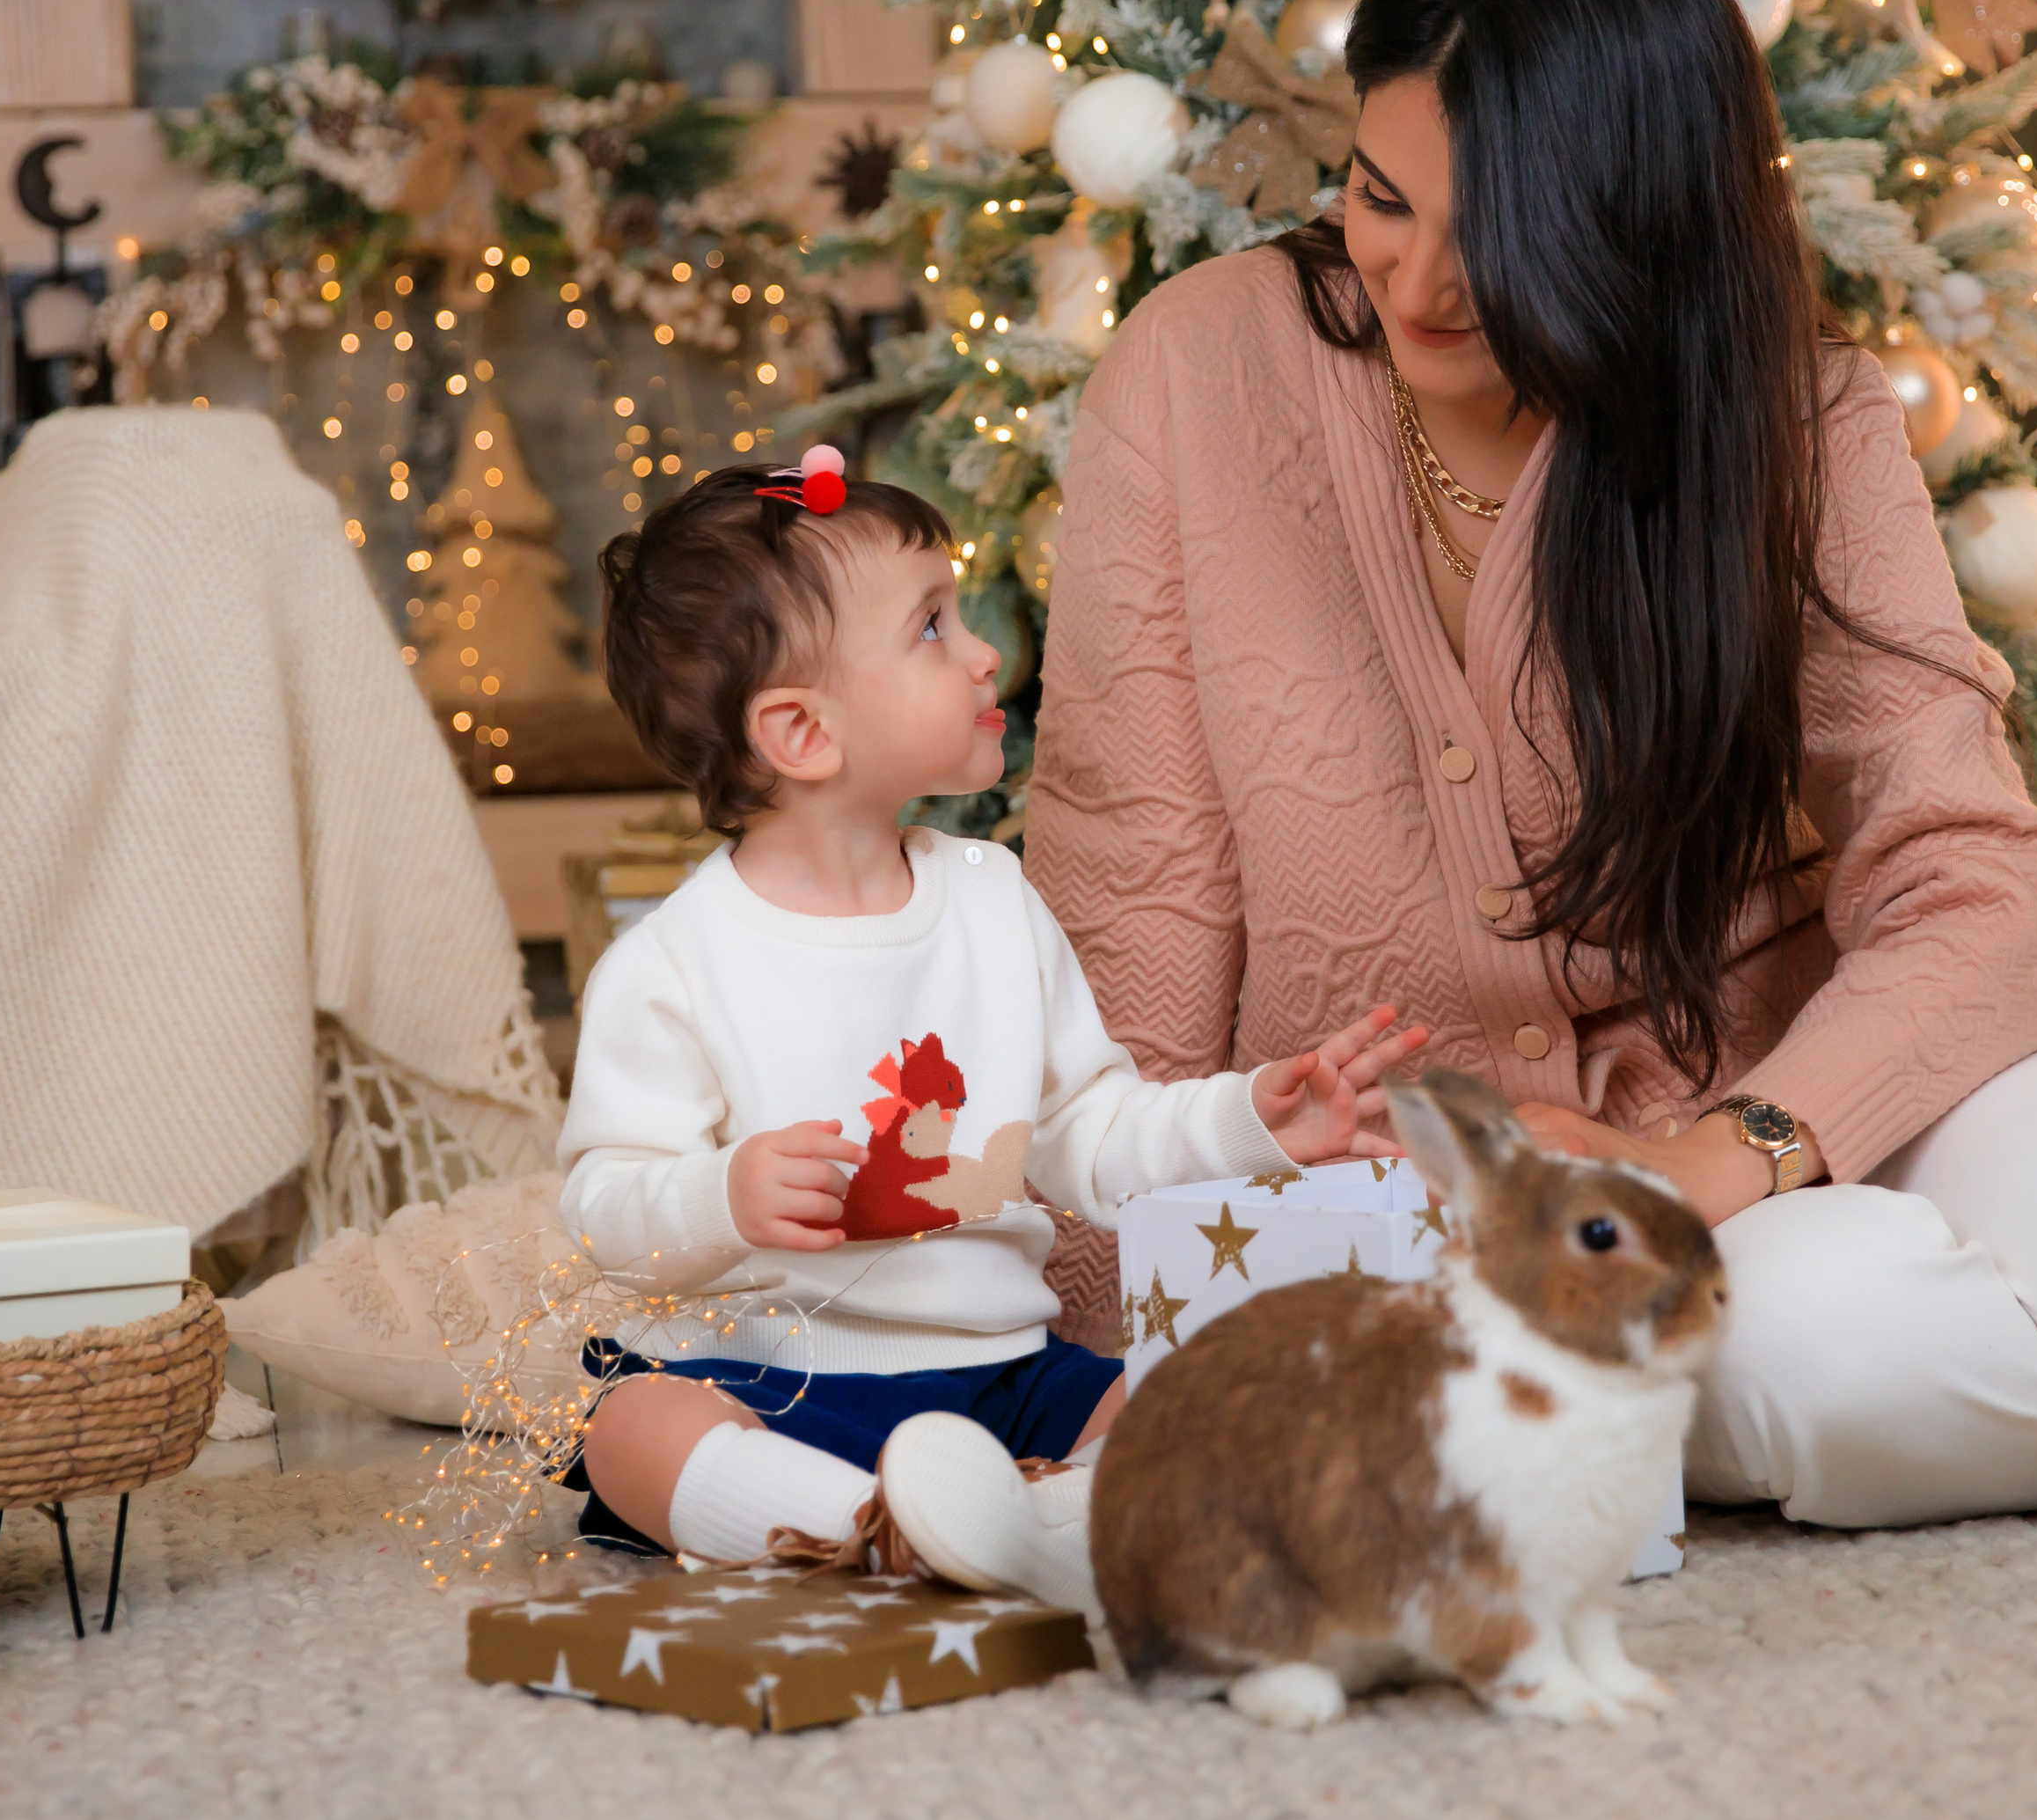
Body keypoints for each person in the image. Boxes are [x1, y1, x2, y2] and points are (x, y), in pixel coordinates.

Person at [1028, 0, 2037, 1532]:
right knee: (1818, 1356)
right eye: (1380, 197)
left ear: (1635, 220)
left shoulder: (1794, 412)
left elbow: (1977, 883)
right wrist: (1106, 1355)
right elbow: (1130, 897)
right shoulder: (1196, 373)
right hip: (1442, 1218)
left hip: (1784, 1114)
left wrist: (1730, 1152)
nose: (1418, 280)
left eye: (1496, 228)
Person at [556, 451, 1426, 1610]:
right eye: (930, 627)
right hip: (778, 1381)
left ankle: (1021, 1514)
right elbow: (605, 1204)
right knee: (630, 1425)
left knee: (1189, 1402)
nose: (984, 653)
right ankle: (863, 1528)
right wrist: (719, 1196)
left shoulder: (992, 901)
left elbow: (1086, 1134)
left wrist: (1252, 1117)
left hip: (1005, 1379)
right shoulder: (674, 965)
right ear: (802, 734)